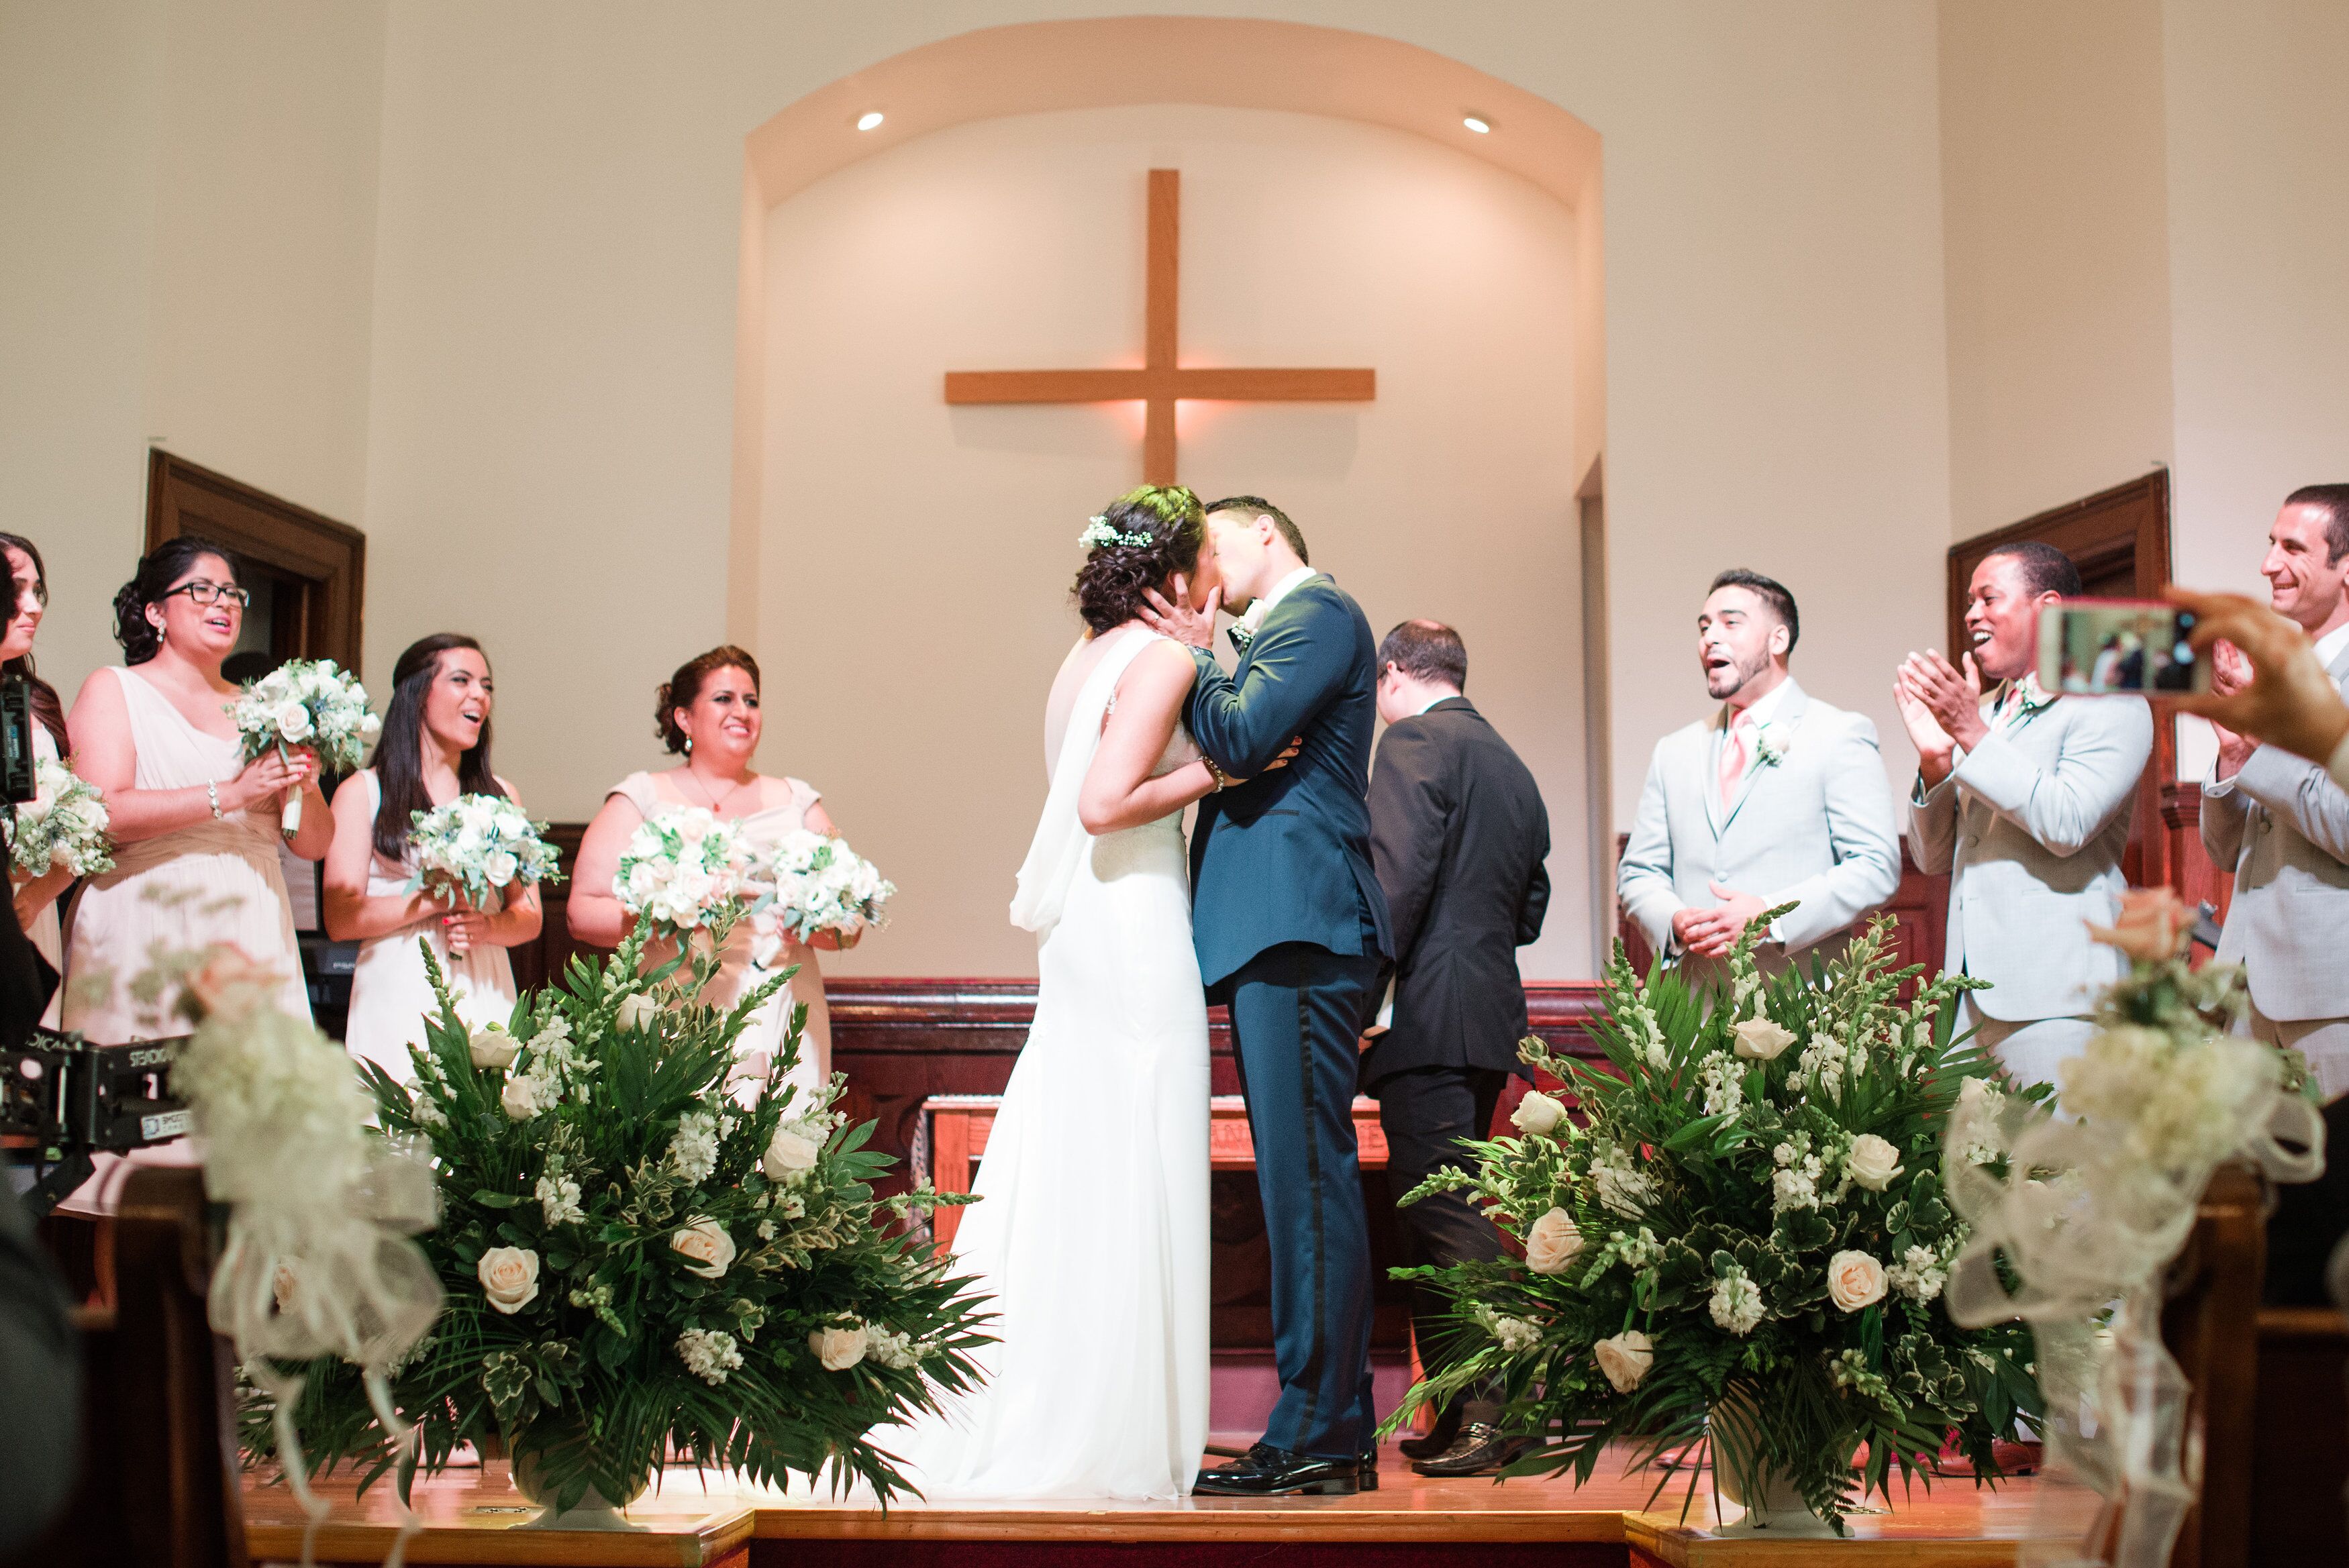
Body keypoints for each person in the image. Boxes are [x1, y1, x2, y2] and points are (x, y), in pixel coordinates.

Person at [887, 486, 1285, 1500]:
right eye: (1209, 564)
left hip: (1084, 935)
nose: (1222, 582)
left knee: (1081, 1155)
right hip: (1134, 918)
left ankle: (1060, 1396)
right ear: (1181, 575)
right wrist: (1225, 775)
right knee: (1135, 1155)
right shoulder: (1164, 657)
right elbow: (1105, 803)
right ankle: (1112, 1428)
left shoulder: (1083, 658)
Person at [1141, 494, 1394, 1498]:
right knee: (1297, 1179)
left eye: (1212, 543)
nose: (1203, 568)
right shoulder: (1268, 631)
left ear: (1264, 536)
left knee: (1306, 1181)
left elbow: (1241, 742)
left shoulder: (1318, 613)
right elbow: (1243, 740)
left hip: (1301, 919)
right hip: (1273, 926)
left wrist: (1208, 660)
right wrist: (1224, 671)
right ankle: (1326, 1425)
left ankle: (1321, 1426)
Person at [60, 537, 326, 1212]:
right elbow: (101, 813)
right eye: (200, 590)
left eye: (232, 593)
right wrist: (231, 793)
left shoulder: (264, 707)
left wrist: (307, 783)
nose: (223, 604)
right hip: (149, 921)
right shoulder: (115, 688)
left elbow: (315, 843)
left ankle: (221, 1317)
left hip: (251, 927)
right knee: (143, 1157)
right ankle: (127, 1317)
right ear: (154, 611)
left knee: (246, 1157)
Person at [1359, 619, 1550, 1478]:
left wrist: (1359, 1001)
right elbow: (1530, 908)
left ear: (1394, 674)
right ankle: (1460, 1410)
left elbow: (1394, 882)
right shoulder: (1510, 763)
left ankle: (1500, 1413)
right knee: (1437, 1208)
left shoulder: (1411, 743)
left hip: (1428, 1014)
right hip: (1485, 1010)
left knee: (1446, 1217)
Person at [1896, 541, 2152, 1090]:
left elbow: (2067, 823)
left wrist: (1969, 733)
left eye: (1989, 598)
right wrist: (1936, 761)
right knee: (1972, 1174)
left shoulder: (2110, 700)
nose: (1971, 615)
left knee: (2063, 1172)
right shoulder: (1982, 711)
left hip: (2060, 994)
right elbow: (1933, 855)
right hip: (1967, 999)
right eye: (1970, 602)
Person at [568, 646, 849, 1103]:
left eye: (751, 700)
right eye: (724, 699)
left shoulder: (798, 803)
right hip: (674, 1007)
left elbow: (848, 924)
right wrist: (663, 916)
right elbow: (582, 913)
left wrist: (819, 927)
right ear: (683, 717)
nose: (742, 711)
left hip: (780, 1006)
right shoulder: (642, 796)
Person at [1617, 570, 1901, 988]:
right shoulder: (1673, 751)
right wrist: (1674, 921)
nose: (1711, 637)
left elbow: (1875, 867)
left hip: (1798, 1007)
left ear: (1778, 640)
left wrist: (1769, 915)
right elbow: (1639, 871)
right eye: (1704, 627)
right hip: (1692, 1010)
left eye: (1731, 623)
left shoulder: (1838, 734)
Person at [325, 634, 541, 1080]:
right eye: (461, 680)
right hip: (398, 974)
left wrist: (491, 925)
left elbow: (531, 914)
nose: (479, 695)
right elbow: (341, 917)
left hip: (483, 970)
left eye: (486, 686)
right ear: (417, 692)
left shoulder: (501, 795)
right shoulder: (362, 792)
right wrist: (436, 900)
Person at [2195, 486, 2349, 1102]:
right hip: (2245, 987)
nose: (2268, 564)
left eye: (2293, 547)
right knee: (2251, 1192)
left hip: (2330, 993)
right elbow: (2227, 851)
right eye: (2270, 545)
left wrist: (2262, 742)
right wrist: (2235, 755)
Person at [1, 533, 71, 1018]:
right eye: (16, 590)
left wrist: (38, 892)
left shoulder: (29, 701)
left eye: (38, 590)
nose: (33, 606)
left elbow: (80, 828)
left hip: (31, 915)